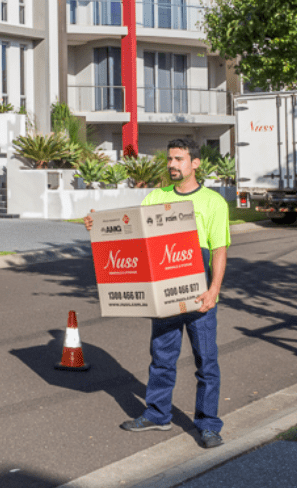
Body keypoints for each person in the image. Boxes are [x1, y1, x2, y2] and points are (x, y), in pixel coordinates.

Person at [84, 138, 230, 449]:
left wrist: (213, 289)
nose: (172, 165)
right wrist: (96, 225)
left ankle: (207, 425)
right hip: (165, 292)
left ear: (195, 164)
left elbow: (219, 250)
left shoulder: (213, 202)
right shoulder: (156, 197)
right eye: (170, 159)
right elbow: (134, 232)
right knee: (162, 357)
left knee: (206, 361)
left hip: (198, 290)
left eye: (179, 159)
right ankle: (157, 414)